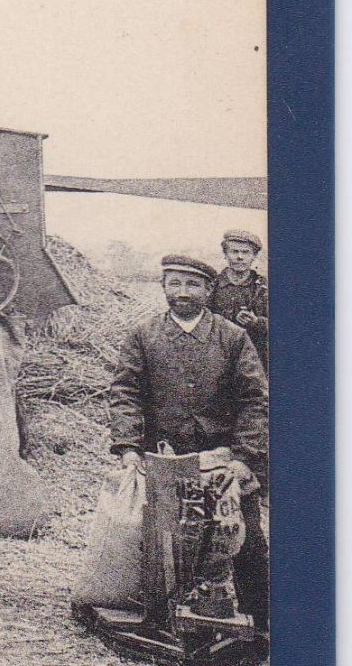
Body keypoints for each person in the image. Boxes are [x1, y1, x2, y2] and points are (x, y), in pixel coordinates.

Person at [108, 254, 269, 628]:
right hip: (163, 457)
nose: (182, 292)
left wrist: (243, 458)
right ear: (163, 287)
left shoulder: (232, 337)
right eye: (174, 283)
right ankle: (163, 619)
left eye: (193, 284)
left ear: (209, 290)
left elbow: (255, 400)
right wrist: (129, 449)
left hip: (224, 458)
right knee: (163, 542)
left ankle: (263, 626)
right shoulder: (143, 335)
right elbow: (125, 393)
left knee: (246, 542)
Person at [210, 227, 269, 370]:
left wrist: (257, 322)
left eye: (246, 252)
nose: (240, 257)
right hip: (219, 357)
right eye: (234, 252)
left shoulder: (265, 287)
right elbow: (201, 319)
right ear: (225, 254)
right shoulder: (212, 285)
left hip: (256, 360)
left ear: (254, 256)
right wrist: (230, 317)